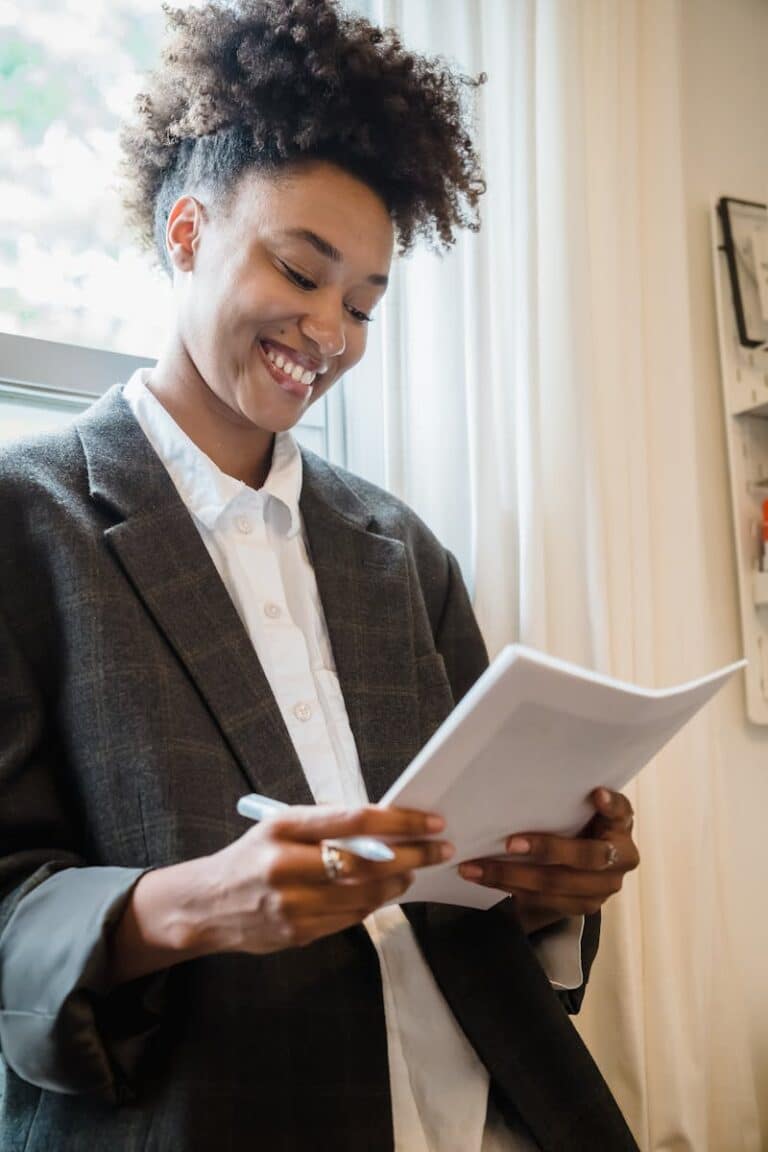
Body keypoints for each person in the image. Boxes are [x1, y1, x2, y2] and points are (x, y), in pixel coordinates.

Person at [0, 2, 640, 1149]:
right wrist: (183, 907)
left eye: (362, 303)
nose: (330, 333)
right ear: (188, 234)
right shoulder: (24, 524)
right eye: (300, 270)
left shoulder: (399, 550)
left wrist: (551, 880)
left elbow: (475, 876)